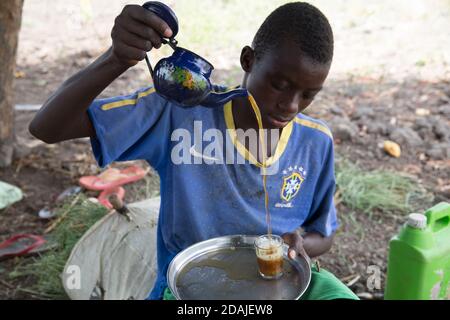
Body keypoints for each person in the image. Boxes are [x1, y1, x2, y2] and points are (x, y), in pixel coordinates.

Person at [29, 2, 358, 300]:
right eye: (279, 84)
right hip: (193, 287)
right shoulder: (181, 112)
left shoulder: (316, 143)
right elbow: (46, 127)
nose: (290, 105)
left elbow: (322, 234)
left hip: (283, 284)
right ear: (249, 60)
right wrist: (116, 59)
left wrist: (301, 245)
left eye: (308, 95)